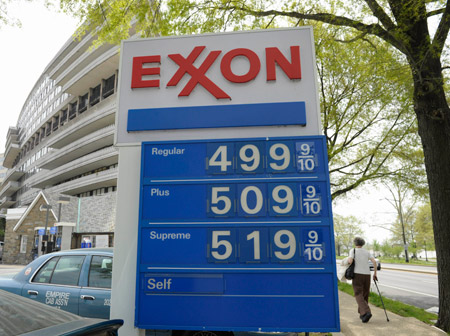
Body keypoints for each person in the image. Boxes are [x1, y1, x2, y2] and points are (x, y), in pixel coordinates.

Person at [348, 237, 378, 323]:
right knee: (365, 294)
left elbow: (350, 261)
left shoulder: (353, 250)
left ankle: (366, 311)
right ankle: (363, 315)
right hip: (367, 275)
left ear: (355, 243)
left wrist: (349, 260)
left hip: (357, 274)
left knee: (358, 294)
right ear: (363, 244)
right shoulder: (366, 252)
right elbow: (374, 262)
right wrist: (375, 273)